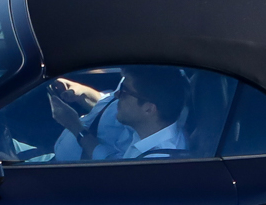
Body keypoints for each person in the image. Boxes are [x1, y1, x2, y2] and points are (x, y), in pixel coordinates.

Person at [53, 66, 189, 161]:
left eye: (124, 92)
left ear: (148, 109)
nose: (116, 95)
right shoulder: (147, 132)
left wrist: (77, 128)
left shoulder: (157, 160)